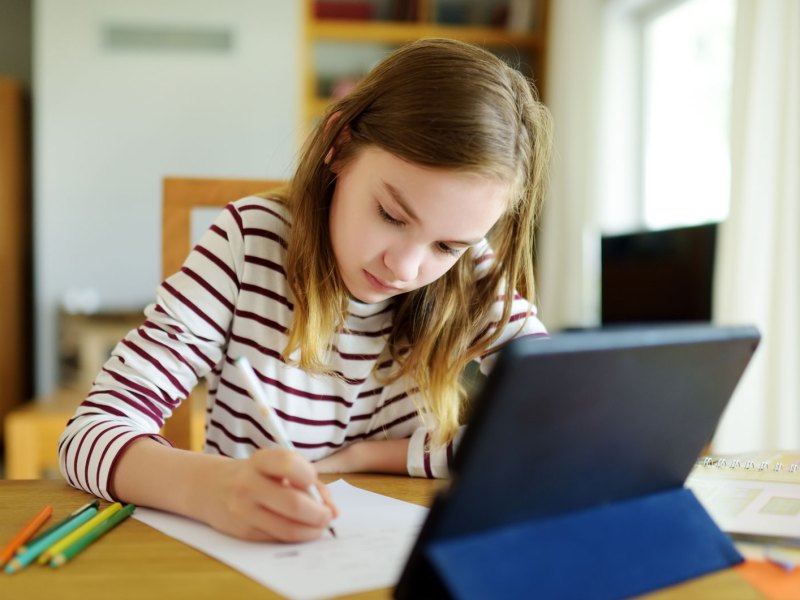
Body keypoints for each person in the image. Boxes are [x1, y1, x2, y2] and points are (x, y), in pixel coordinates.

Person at [58, 38, 552, 543]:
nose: (405, 267)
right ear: (338, 145)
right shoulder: (248, 245)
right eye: (390, 215)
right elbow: (89, 435)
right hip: (252, 552)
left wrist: (368, 457)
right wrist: (211, 489)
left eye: (447, 245)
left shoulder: (469, 274)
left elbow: (560, 432)